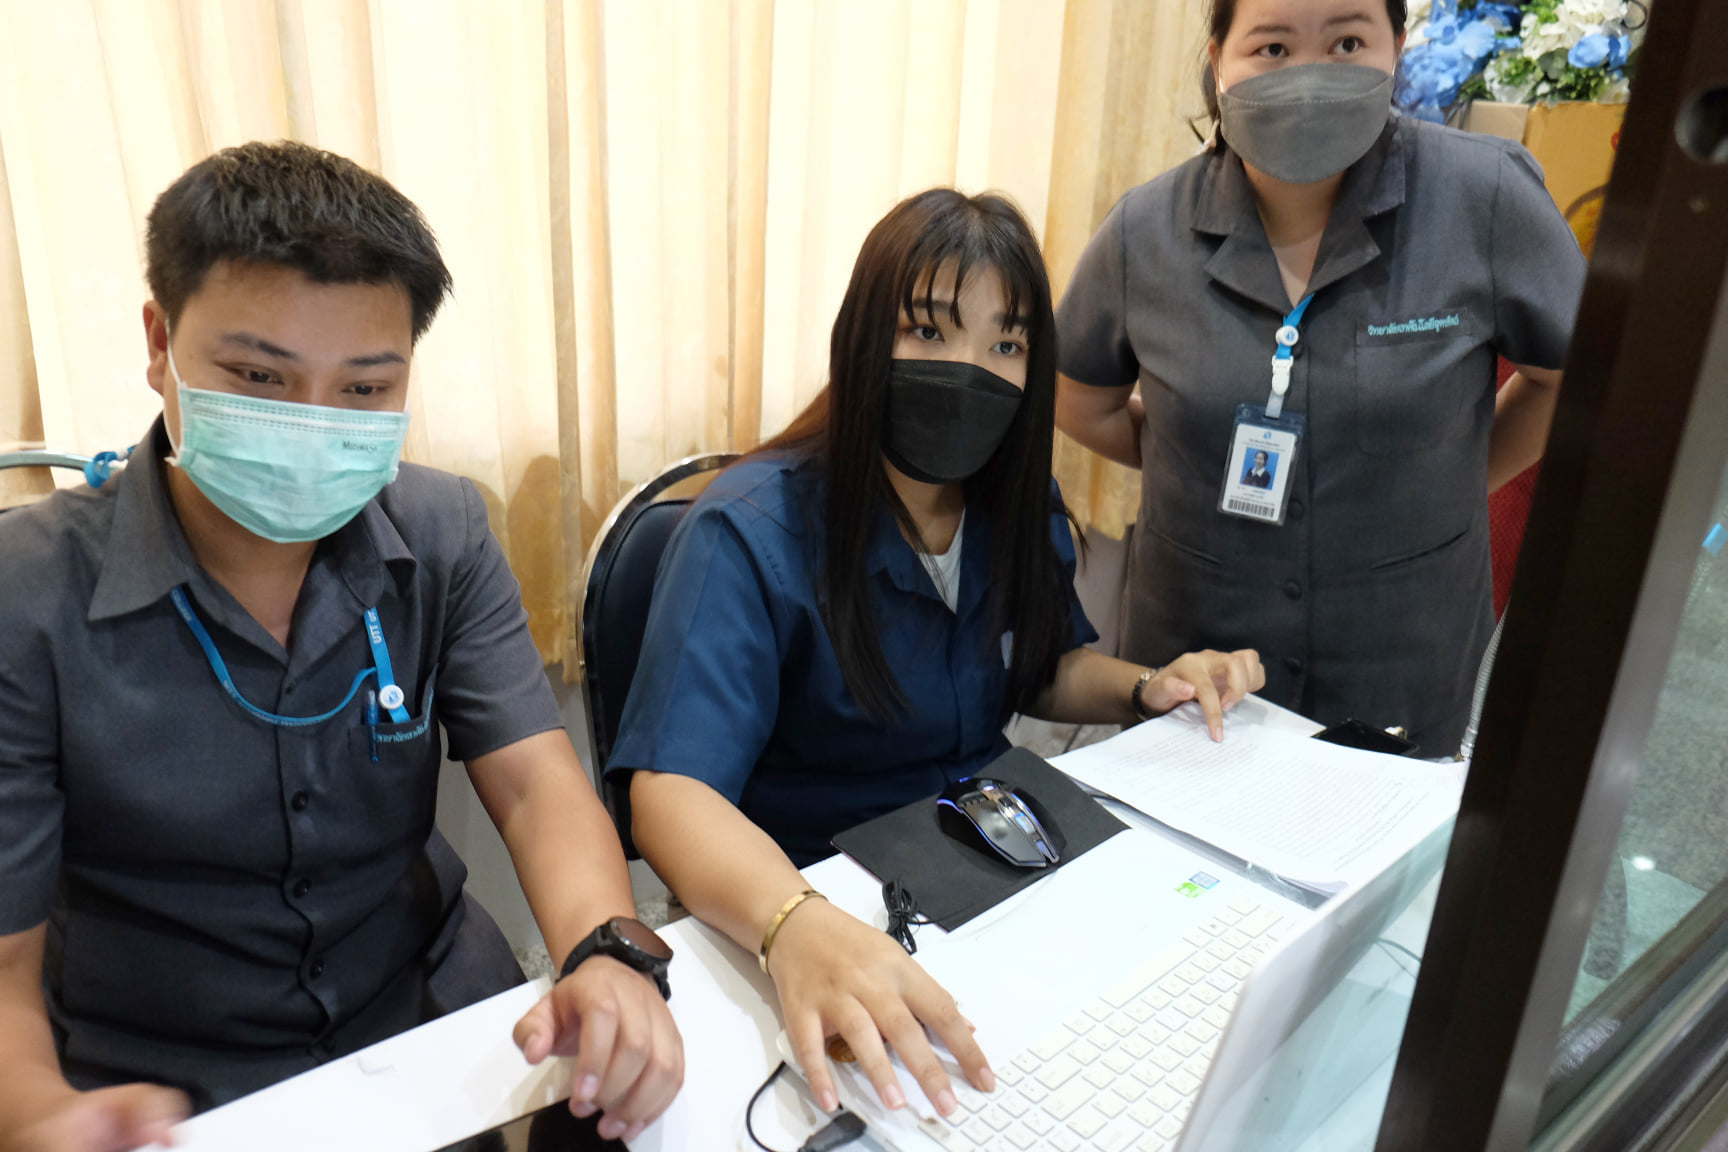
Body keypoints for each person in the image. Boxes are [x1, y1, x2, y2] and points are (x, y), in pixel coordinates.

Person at [0, 142, 681, 1151]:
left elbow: (538, 785)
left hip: (430, 1031)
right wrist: (36, 1116)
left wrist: (610, 953)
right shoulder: (28, 591)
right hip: (170, 1091)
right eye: (258, 376)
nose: (310, 425)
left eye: (364, 391)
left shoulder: (442, 530)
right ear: (159, 342)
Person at [608, 189, 1265, 1120]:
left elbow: (1040, 668)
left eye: (1006, 344)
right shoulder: (748, 533)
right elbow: (669, 794)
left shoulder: (1012, 498)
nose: (970, 370)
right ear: (864, 339)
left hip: (992, 866)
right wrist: (795, 922)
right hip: (821, 894)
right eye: (928, 330)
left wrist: (1151, 686)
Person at [1054, 0, 1586, 756]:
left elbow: (1568, 376)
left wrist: (1452, 475)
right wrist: (1194, 456)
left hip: (1401, 653)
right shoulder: (1145, 231)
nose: (1307, 77)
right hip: (1198, 658)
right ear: (1218, 62)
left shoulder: (1486, 196)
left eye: (1346, 41)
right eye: (1271, 47)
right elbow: (1081, 399)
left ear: (1397, 46)